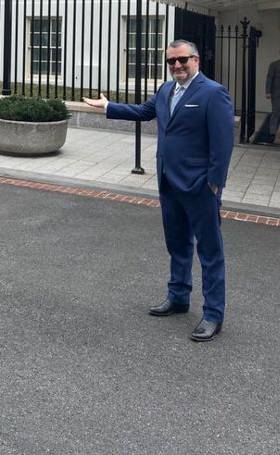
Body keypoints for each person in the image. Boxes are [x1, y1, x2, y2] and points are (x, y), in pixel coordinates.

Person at [82, 39, 234, 343]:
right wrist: (108, 106)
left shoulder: (213, 93)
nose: (176, 66)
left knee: (209, 251)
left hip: (200, 186)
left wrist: (215, 183)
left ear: (196, 60)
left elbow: (223, 143)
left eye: (182, 60)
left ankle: (213, 314)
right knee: (177, 244)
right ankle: (178, 297)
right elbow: (143, 111)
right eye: (171, 62)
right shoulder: (166, 90)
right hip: (168, 181)